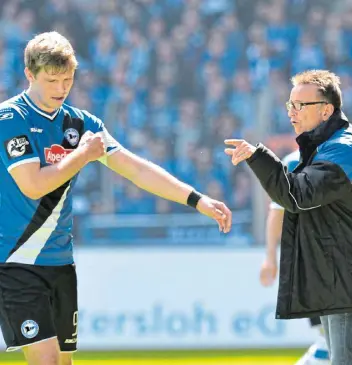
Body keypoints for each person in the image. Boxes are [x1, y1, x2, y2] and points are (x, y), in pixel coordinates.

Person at [0, 32, 232, 365]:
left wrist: (196, 199)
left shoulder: (82, 123)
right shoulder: (10, 119)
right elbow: (33, 185)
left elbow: (136, 170)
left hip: (60, 260)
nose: (60, 88)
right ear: (29, 75)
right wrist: (83, 155)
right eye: (51, 80)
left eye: (67, 79)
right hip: (15, 262)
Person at [224, 69, 352, 365]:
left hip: (351, 273)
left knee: (346, 362)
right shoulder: (326, 148)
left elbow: (294, 196)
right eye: (290, 105)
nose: (292, 113)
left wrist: (257, 157)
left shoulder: (341, 149)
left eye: (300, 105)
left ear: (326, 110)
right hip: (342, 272)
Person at [261, 150, 330, 365]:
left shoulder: (344, 155)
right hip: (311, 260)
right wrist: (270, 258)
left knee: (335, 336)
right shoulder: (291, 163)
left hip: (339, 257)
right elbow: (277, 212)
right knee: (331, 335)